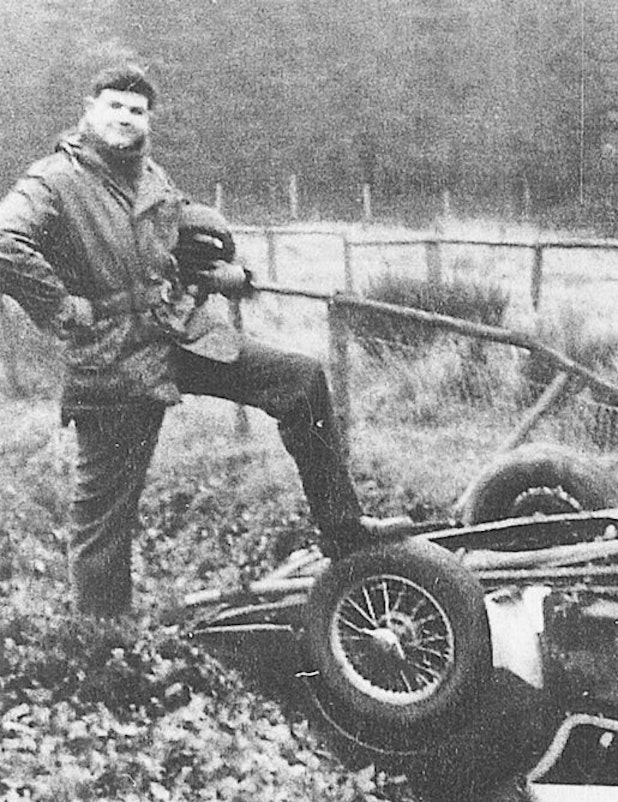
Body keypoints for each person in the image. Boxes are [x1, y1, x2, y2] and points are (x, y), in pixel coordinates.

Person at [0, 64, 387, 619]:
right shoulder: (54, 180)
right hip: (115, 355)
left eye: (136, 111)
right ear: (89, 110)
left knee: (300, 381)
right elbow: (6, 239)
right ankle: (105, 644)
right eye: (114, 106)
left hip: (182, 333)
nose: (125, 119)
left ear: (148, 121)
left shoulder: (150, 177)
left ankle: (344, 529)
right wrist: (58, 305)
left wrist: (226, 273)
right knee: (104, 519)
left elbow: (178, 243)